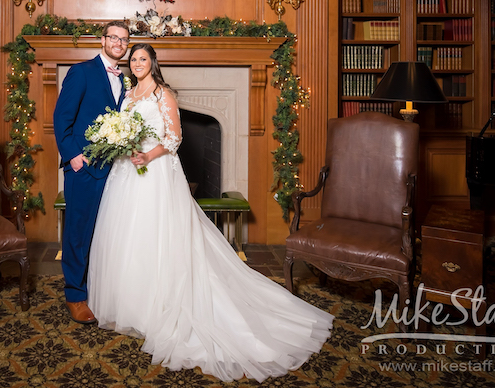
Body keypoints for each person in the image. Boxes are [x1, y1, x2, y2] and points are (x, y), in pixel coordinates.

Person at [87, 43, 333, 383]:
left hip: (156, 172)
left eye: (143, 58)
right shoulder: (129, 93)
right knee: (131, 237)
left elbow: (174, 139)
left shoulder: (163, 94)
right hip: (127, 171)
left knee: (160, 236)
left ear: (152, 62)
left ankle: (167, 304)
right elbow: (126, 128)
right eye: (133, 59)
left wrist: (147, 155)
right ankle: (136, 306)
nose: (137, 63)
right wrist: (126, 146)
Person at [53, 20, 130, 324]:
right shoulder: (81, 72)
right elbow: (62, 117)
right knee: (78, 232)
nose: (119, 43)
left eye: (124, 40)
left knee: (104, 234)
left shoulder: (125, 79)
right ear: (102, 40)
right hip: (84, 168)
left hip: (114, 170)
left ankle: (98, 289)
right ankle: (75, 295)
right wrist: (73, 157)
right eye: (113, 37)